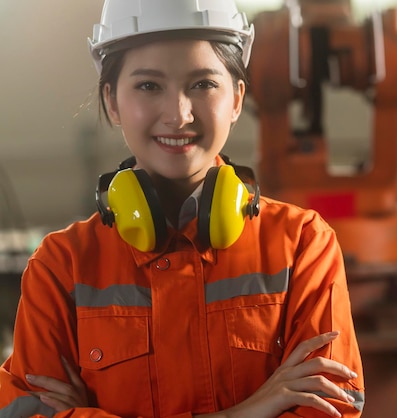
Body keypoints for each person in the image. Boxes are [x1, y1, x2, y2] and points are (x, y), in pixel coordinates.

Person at [0, 0, 365, 417]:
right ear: (112, 101)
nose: (178, 114)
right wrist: (251, 409)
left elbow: (330, 406)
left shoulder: (302, 245)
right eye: (149, 86)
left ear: (237, 98)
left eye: (203, 84)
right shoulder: (61, 267)